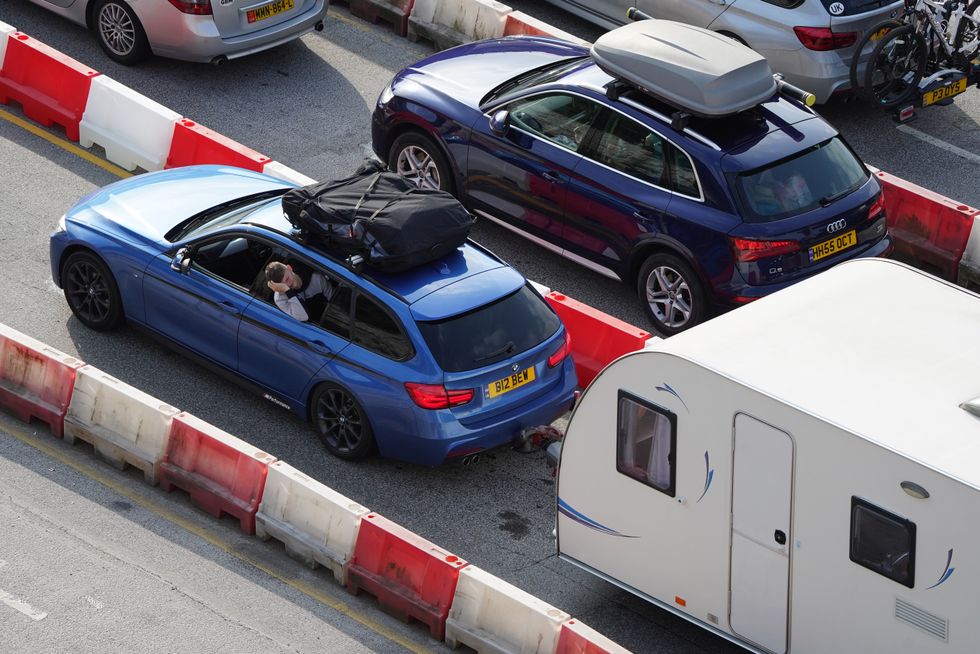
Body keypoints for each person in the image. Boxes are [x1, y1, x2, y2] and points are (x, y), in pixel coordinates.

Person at [265, 261, 333, 322]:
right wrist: (287, 291)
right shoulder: (280, 298)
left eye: (287, 279)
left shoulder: (316, 279)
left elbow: (333, 302)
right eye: (283, 285)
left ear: (289, 268)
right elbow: (304, 317)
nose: (288, 285)